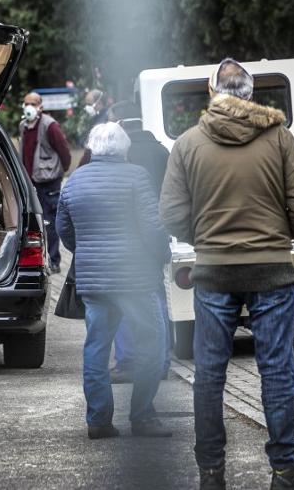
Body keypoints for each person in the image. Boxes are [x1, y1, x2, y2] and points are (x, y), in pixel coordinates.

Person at [161, 58, 294, 490]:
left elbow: (172, 213)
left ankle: (212, 473)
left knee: (210, 375)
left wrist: (206, 239)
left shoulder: (188, 143)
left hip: (214, 272)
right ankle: (286, 470)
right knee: (277, 370)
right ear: (251, 94)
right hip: (272, 271)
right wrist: (281, 235)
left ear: (210, 91)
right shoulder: (279, 139)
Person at [56, 122, 173, 440]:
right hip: (135, 279)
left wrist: (86, 251)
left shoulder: (74, 181)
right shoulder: (136, 176)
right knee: (152, 344)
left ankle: (98, 420)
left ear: (92, 148)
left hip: (94, 281)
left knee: (96, 348)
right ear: (125, 149)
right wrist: (162, 254)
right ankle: (143, 416)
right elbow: (152, 226)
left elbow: (63, 228)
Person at [105, 100, 172, 384]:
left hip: (123, 238)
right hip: (156, 235)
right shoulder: (161, 151)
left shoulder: (120, 154)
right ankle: (162, 359)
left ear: (120, 123)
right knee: (157, 299)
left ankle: (129, 361)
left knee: (121, 301)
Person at [19, 91, 72, 274]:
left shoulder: (50, 125)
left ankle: (54, 261)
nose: (29, 107)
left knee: (50, 222)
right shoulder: (23, 125)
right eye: (26, 103)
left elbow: (65, 152)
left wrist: (59, 172)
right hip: (30, 182)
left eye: (33, 103)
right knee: (33, 222)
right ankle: (36, 259)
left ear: (40, 106)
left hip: (49, 182)